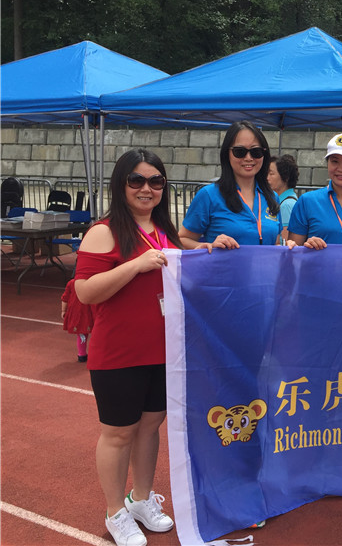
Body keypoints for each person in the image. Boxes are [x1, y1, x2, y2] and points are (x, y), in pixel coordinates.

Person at [74, 149, 181, 546]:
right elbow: (85, 292)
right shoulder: (104, 231)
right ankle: (115, 510)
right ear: (121, 185)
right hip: (119, 352)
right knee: (118, 433)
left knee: (150, 426)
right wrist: (135, 265)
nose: (146, 188)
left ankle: (140, 497)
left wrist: (209, 248)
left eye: (155, 181)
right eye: (136, 180)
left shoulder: (165, 229)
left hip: (163, 349)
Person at [179, 120, 282, 250]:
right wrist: (207, 246)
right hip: (222, 264)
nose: (248, 158)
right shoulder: (208, 196)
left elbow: (275, 244)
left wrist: (289, 247)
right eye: (240, 151)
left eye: (256, 151)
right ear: (227, 154)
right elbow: (182, 240)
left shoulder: (272, 197)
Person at [267, 154, 300, 243]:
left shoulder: (286, 205)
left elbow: (285, 242)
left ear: (286, 177)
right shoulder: (286, 201)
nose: (267, 178)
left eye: (271, 174)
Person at [61, 277, 93, 362]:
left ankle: (82, 354)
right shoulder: (92, 281)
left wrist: (63, 310)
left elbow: (65, 298)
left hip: (78, 312)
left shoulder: (71, 283)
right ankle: (93, 354)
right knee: (96, 332)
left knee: (82, 334)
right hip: (90, 310)